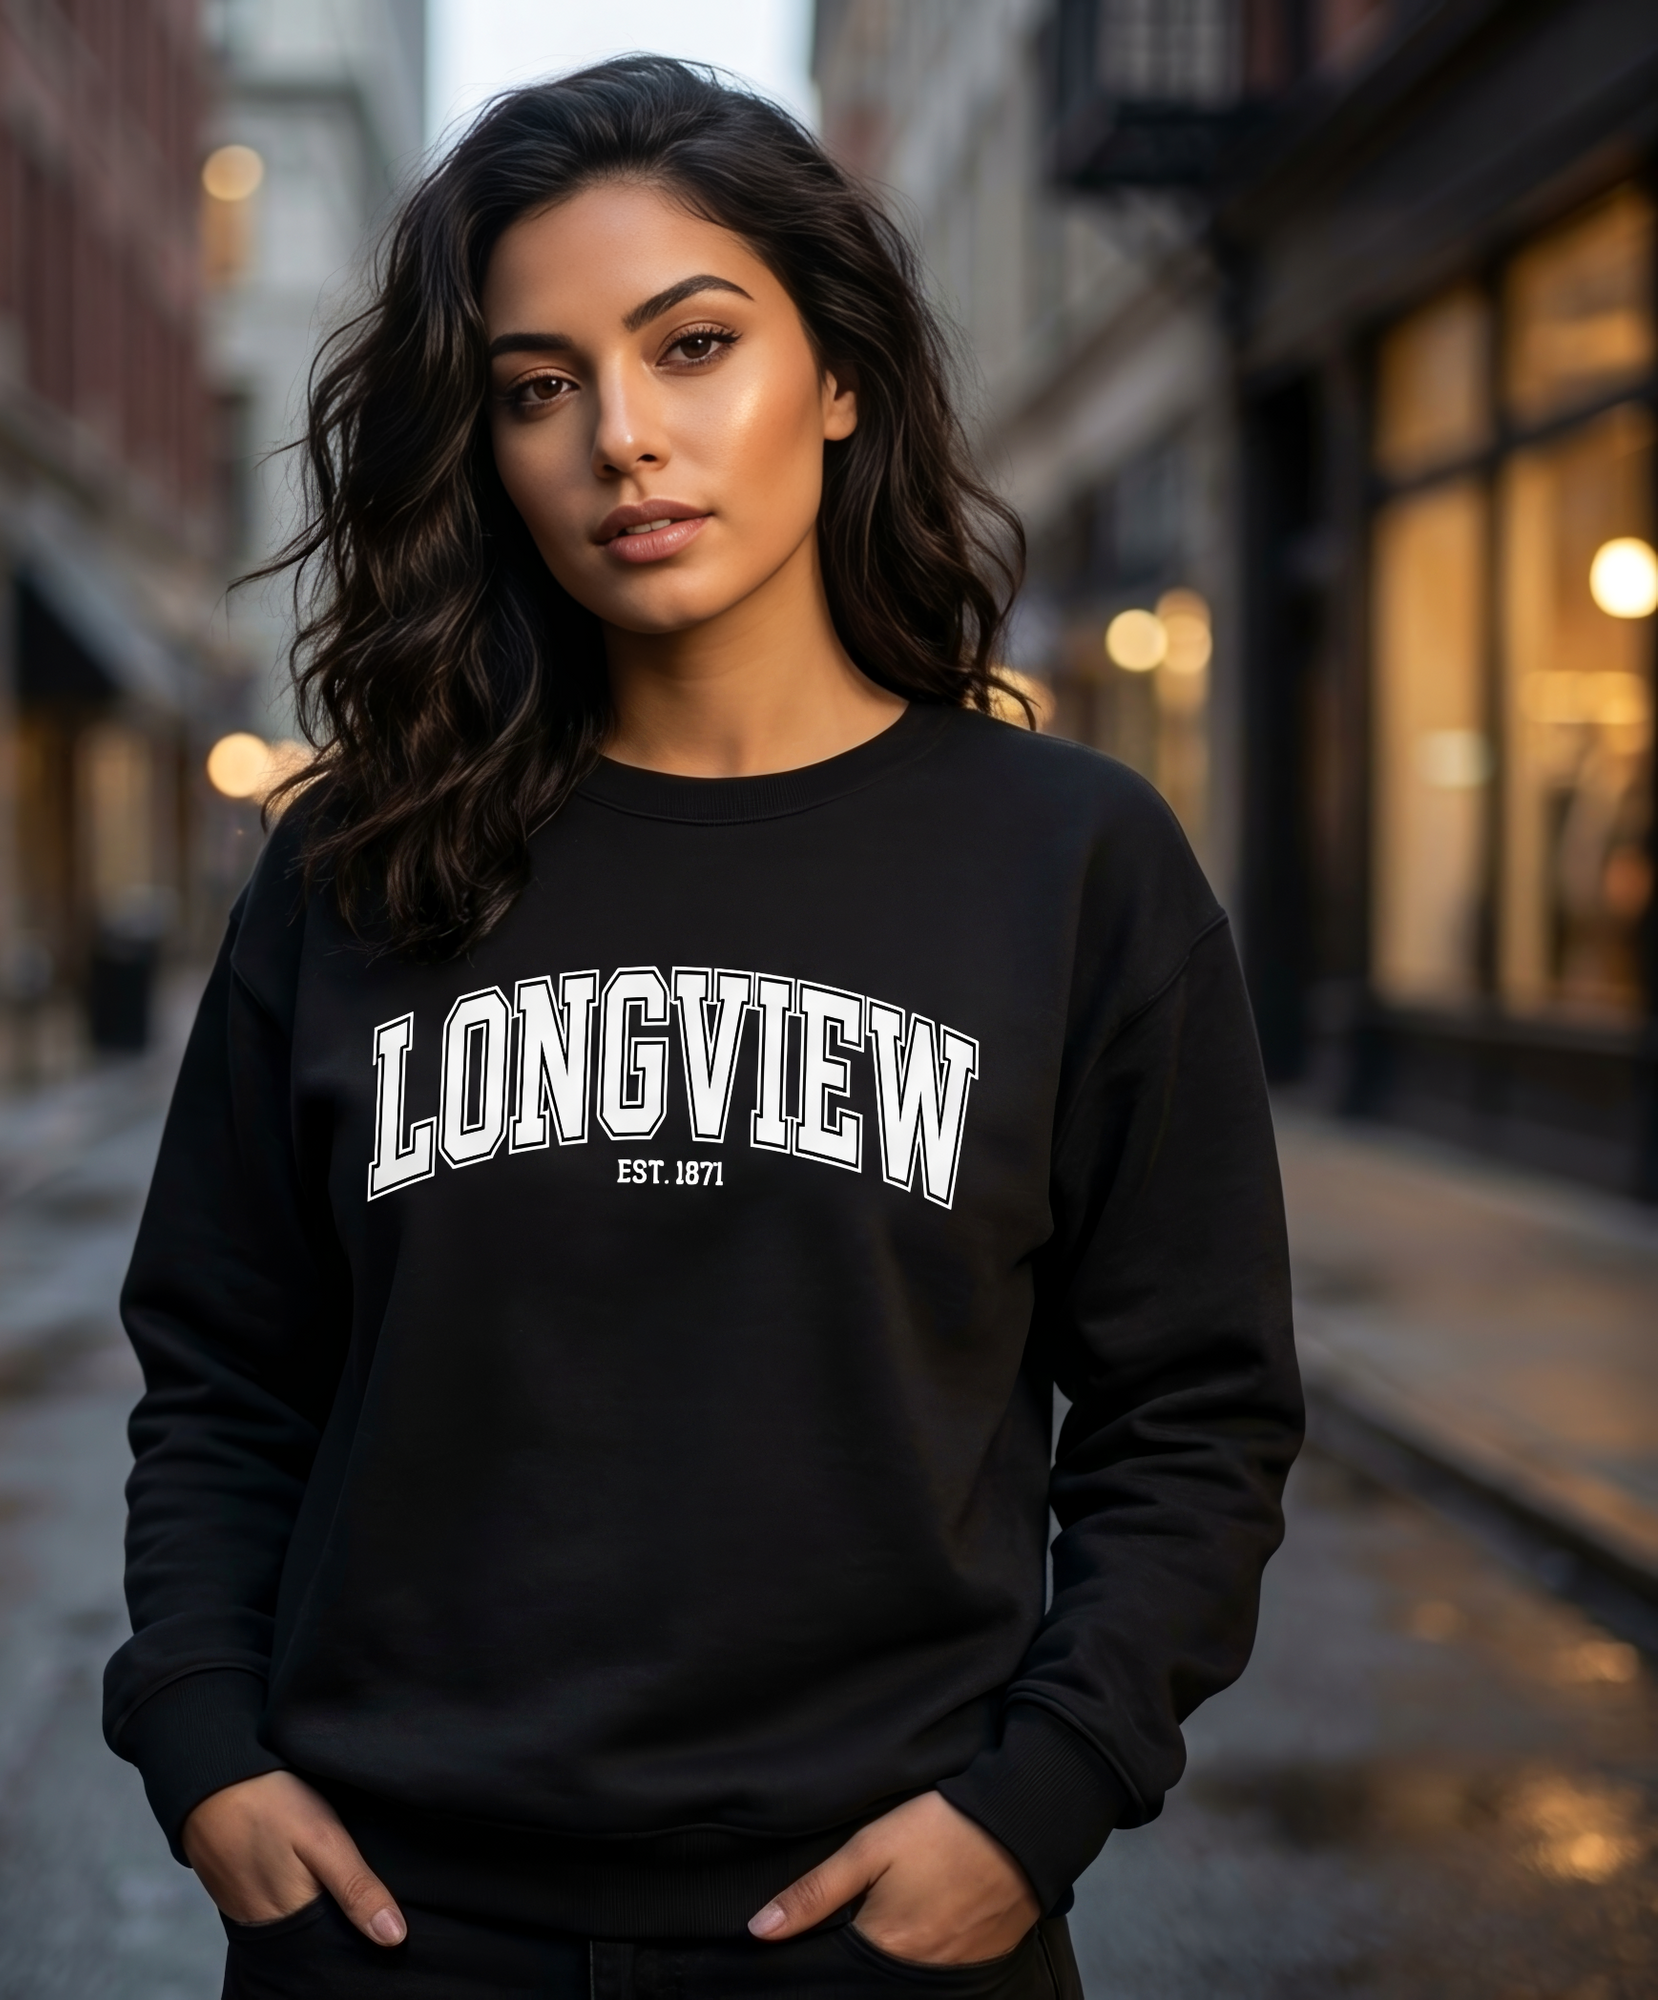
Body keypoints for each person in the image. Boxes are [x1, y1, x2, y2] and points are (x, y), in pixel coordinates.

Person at [104, 57, 1303, 2000]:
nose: (623, 441)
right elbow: (226, 1370)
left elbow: (1194, 1411)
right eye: (538, 386)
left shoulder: (1072, 861)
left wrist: (1040, 1799)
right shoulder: (356, 867)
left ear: (837, 376)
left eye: (693, 346)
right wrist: (202, 1745)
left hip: (878, 1933)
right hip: (393, 1927)